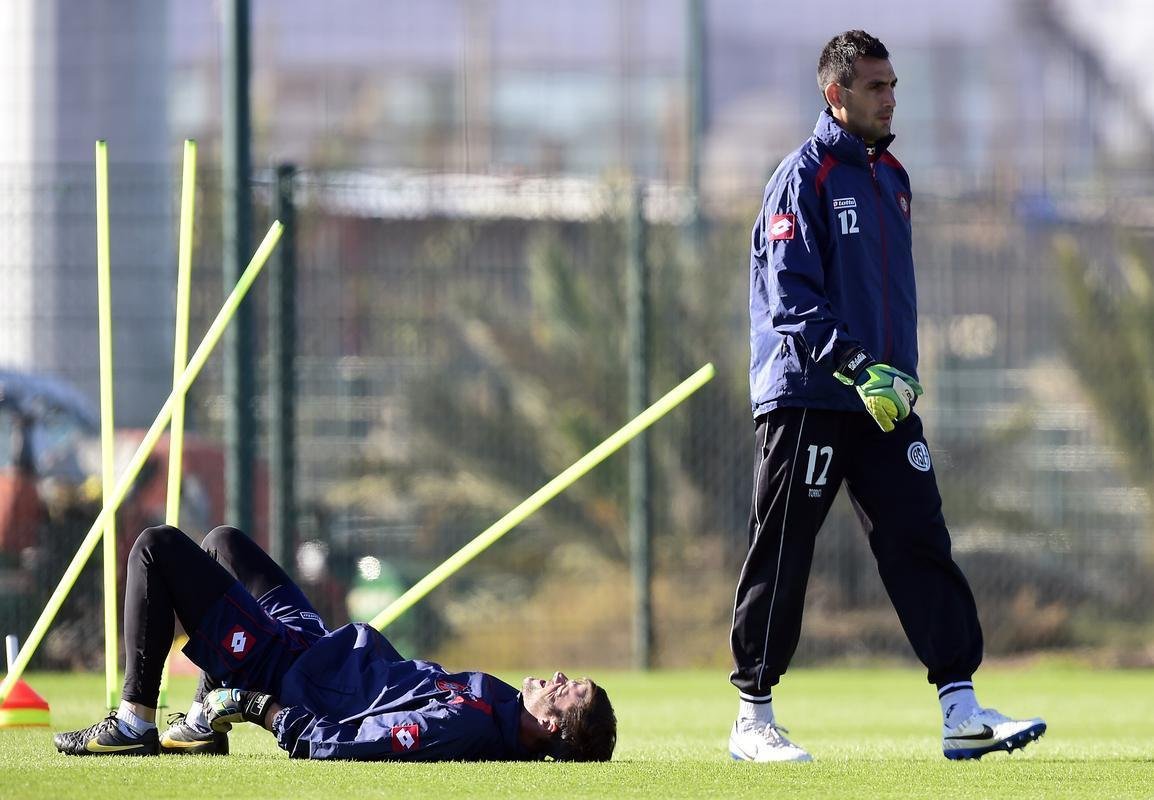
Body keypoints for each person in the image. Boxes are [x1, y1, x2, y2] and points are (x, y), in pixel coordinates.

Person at [728, 30, 1046, 763]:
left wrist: (893, 373)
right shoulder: (799, 178)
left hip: (884, 403)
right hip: (809, 393)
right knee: (783, 550)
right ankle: (753, 717)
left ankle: (961, 711)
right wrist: (856, 365)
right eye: (876, 87)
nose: (890, 98)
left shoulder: (892, 178)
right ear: (835, 95)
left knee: (920, 541)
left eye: (893, 84)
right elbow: (792, 300)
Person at [54, 524, 616, 761]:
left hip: (285, 670)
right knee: (224, 542)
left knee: (155, 548)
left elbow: (346, 744)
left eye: (570, 692)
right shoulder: (494, 704)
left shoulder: (469, 724)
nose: (561, 678)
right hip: (315, 642)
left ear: (550, 726)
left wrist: (261, 707)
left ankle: (134, 725)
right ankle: (204, 719)